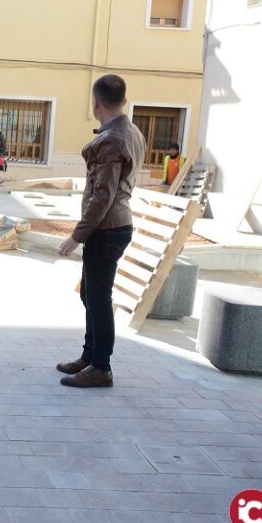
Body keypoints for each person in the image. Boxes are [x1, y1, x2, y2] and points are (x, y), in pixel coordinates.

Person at [57, 74, 145, 388]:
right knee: (91, 296)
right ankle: (90, 356)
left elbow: (103, 195)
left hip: (107, 229)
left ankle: (100, 367)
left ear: (96, 102)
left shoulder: (112, 139)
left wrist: (75, 236)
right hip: (114, 226)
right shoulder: (131, 131)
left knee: (98, 299)